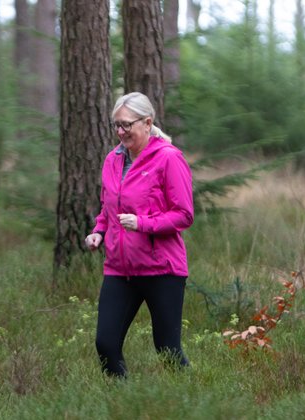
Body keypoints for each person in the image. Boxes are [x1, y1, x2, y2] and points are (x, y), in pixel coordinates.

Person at [85, 92, 194, 378]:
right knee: (105, 343)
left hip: (162, 269)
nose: (120, 132)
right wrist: (99, 231)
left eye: (126, 125)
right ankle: (123, 404)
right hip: (120, 269)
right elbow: (108, 206)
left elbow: (184, 214)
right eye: (116, 125)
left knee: (167, 349)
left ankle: (191, 400)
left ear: (147, 122)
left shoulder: (169, 158)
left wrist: (143, 223)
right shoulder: (112, 160)